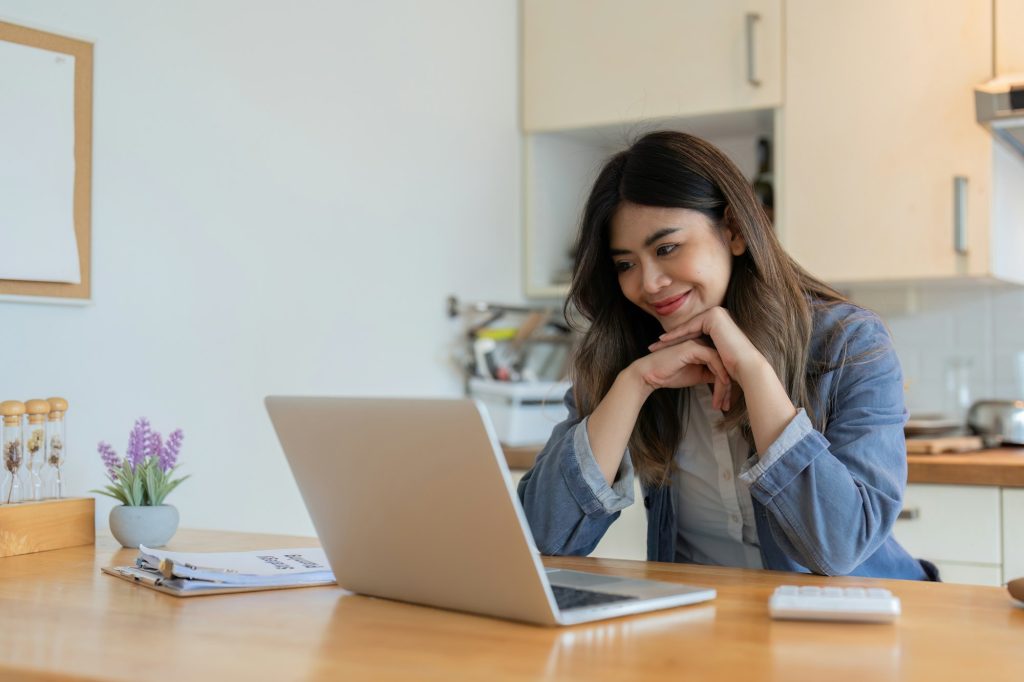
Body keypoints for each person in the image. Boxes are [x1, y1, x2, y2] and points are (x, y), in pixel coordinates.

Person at [517, 130, 936, 580]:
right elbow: (543, 537)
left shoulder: (849, 342)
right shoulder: (627, 355)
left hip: (859, 612)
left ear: (734, 231)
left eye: (667, 248)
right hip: (709, 617)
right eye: (626, 264)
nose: (649, 282)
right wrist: (635, 384)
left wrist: (753, 373)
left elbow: (839, 548)